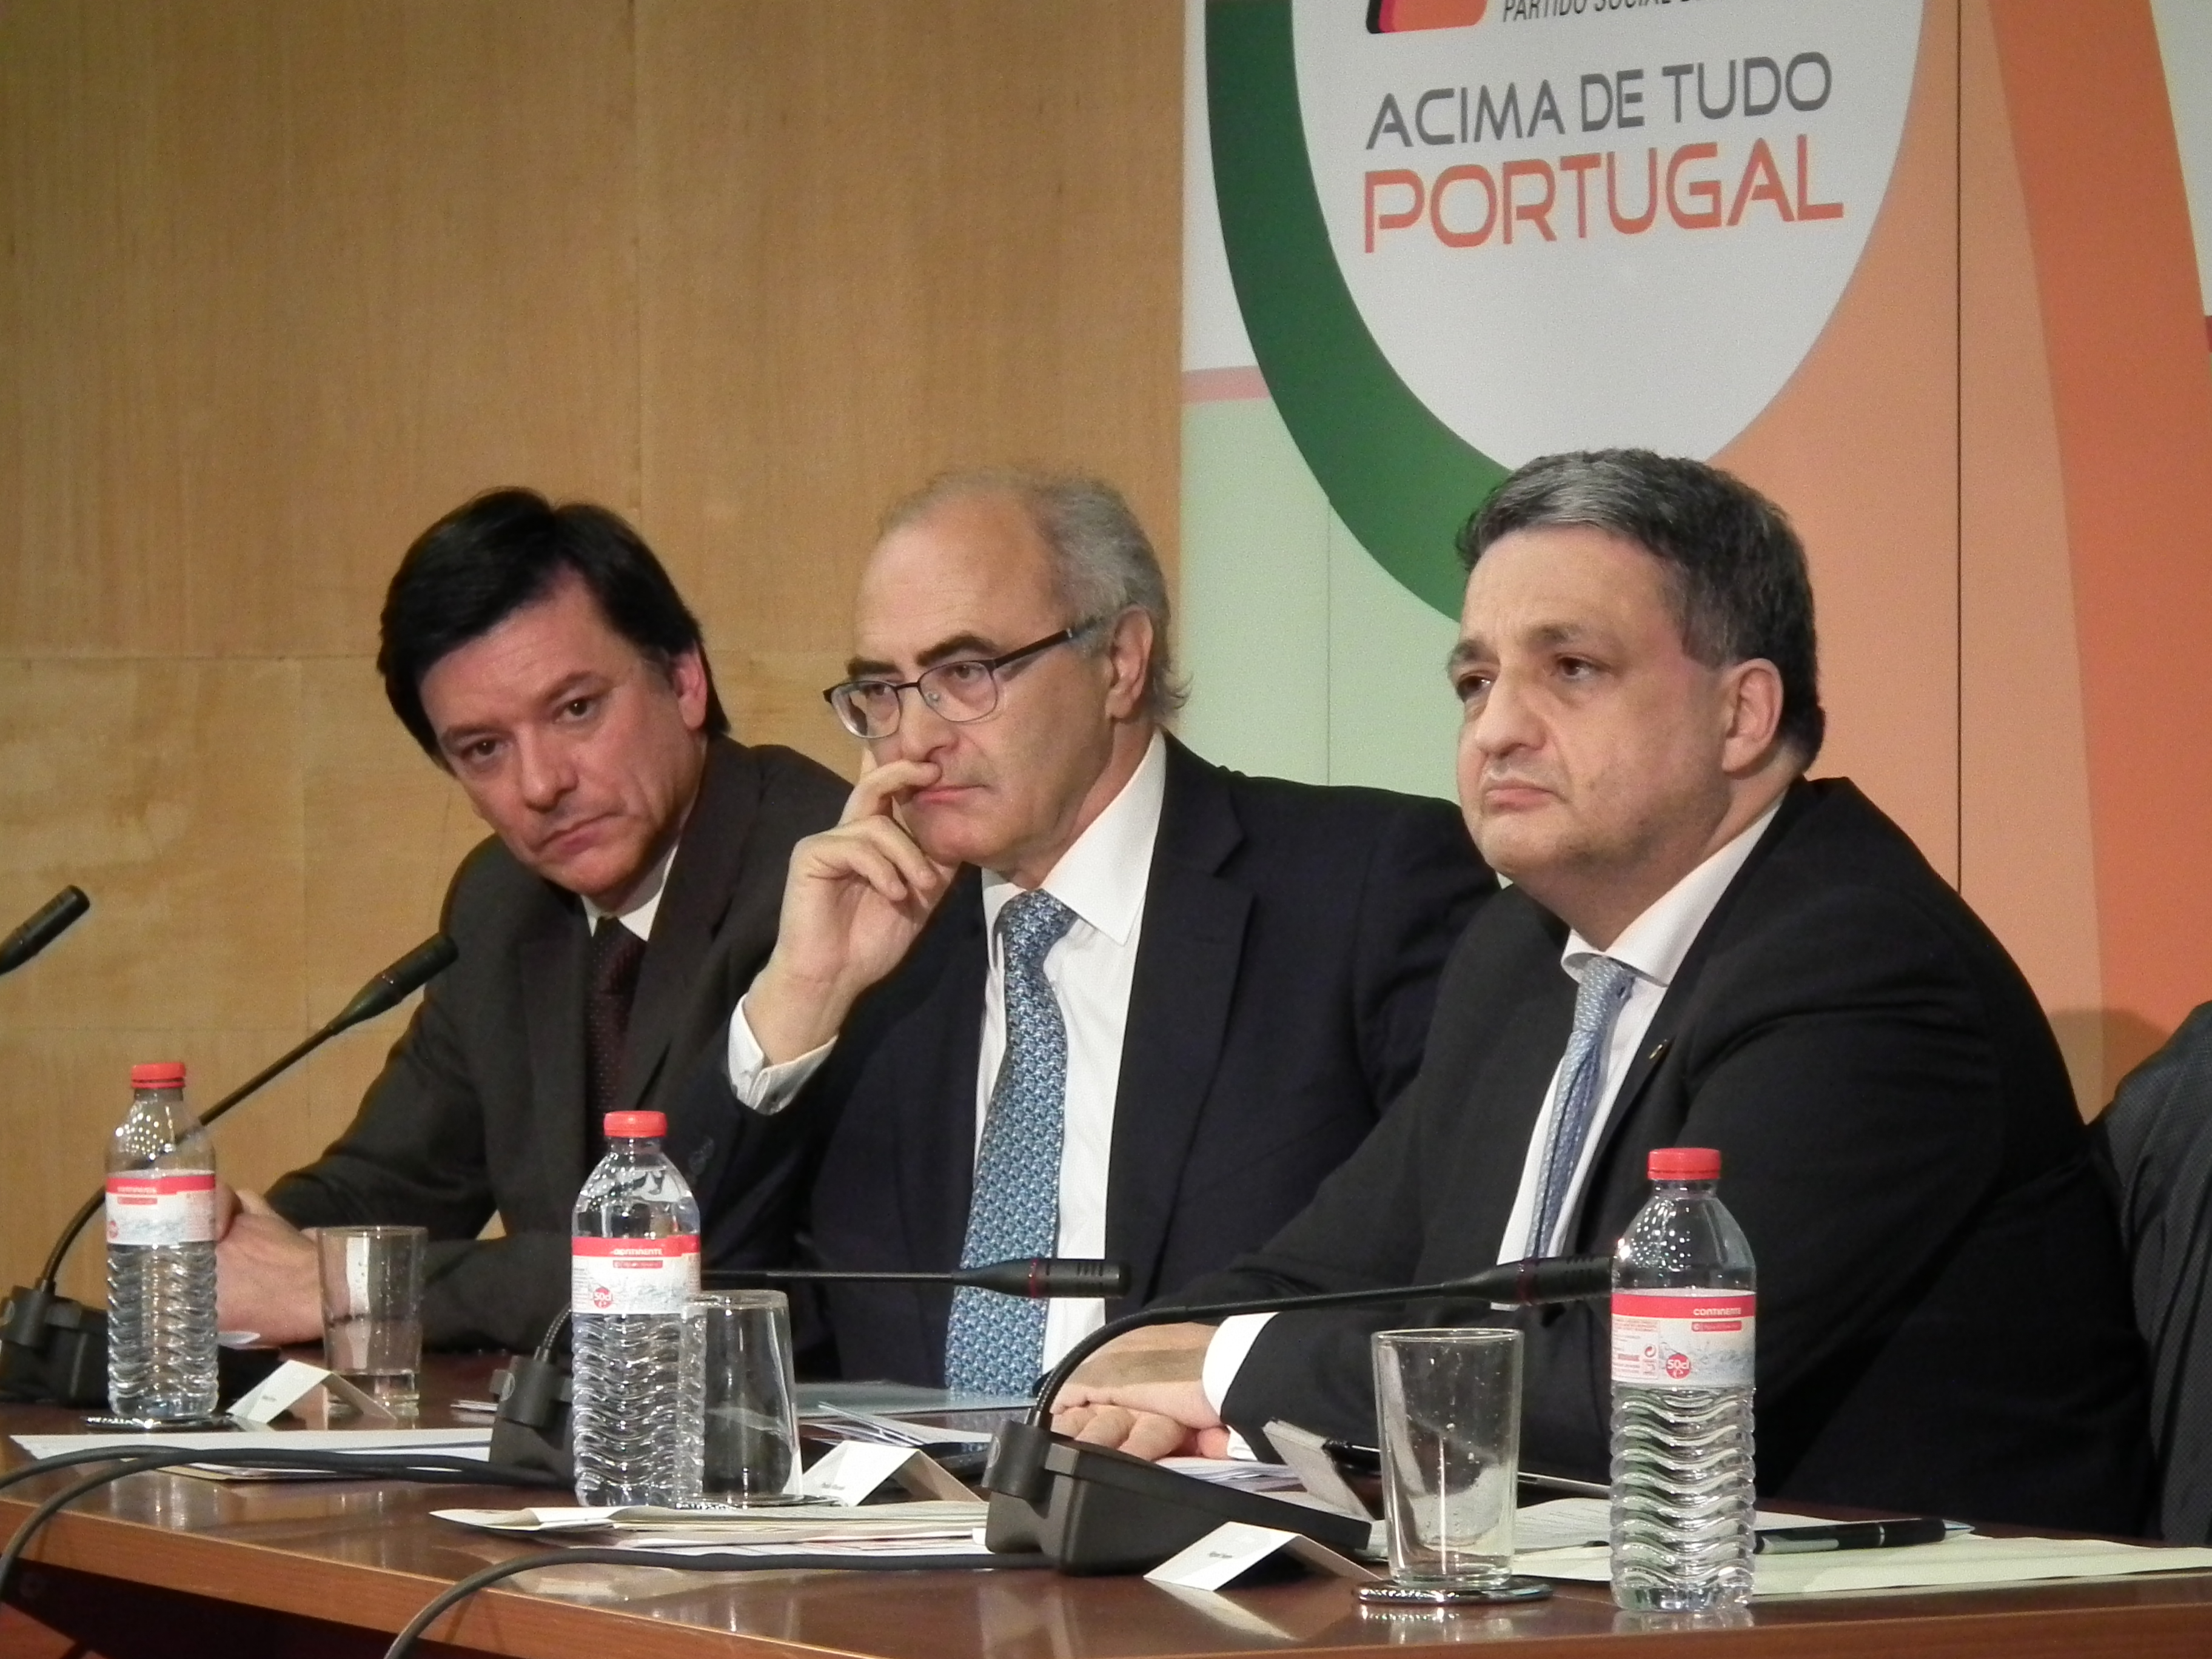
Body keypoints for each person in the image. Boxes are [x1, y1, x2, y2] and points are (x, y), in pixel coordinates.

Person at [1051, 449, 2154, 1533]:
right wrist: (1130, 1371)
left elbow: (1638, 1396)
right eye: (1476, 682)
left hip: (1920, 1605)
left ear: (1742, 714)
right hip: (1589, 1582)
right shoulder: (1520, 954)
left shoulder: (1860, 969)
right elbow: (1317, 1273)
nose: (1496, 729)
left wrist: (1228, 1377)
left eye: (1572, 669)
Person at [691, 469, 1495, 1390]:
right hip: (913, 1482)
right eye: (882, 690)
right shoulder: (872, 955)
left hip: (1213, 1473)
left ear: (1119, 661)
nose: (913, 740)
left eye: (964, 674)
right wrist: (803, 996)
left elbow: (1458, 1283)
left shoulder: (1362, 888)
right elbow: (666, 1322)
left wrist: (1214, 1389)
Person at [215, 489, 848, 1353]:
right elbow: (397, 1180)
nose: (541, 784)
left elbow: (712, 1268)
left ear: (684, 680)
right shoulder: (502, 903)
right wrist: (238, 1245)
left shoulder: (819, 882)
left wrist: (347, 1287)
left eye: (576, 709)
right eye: (484, 749)